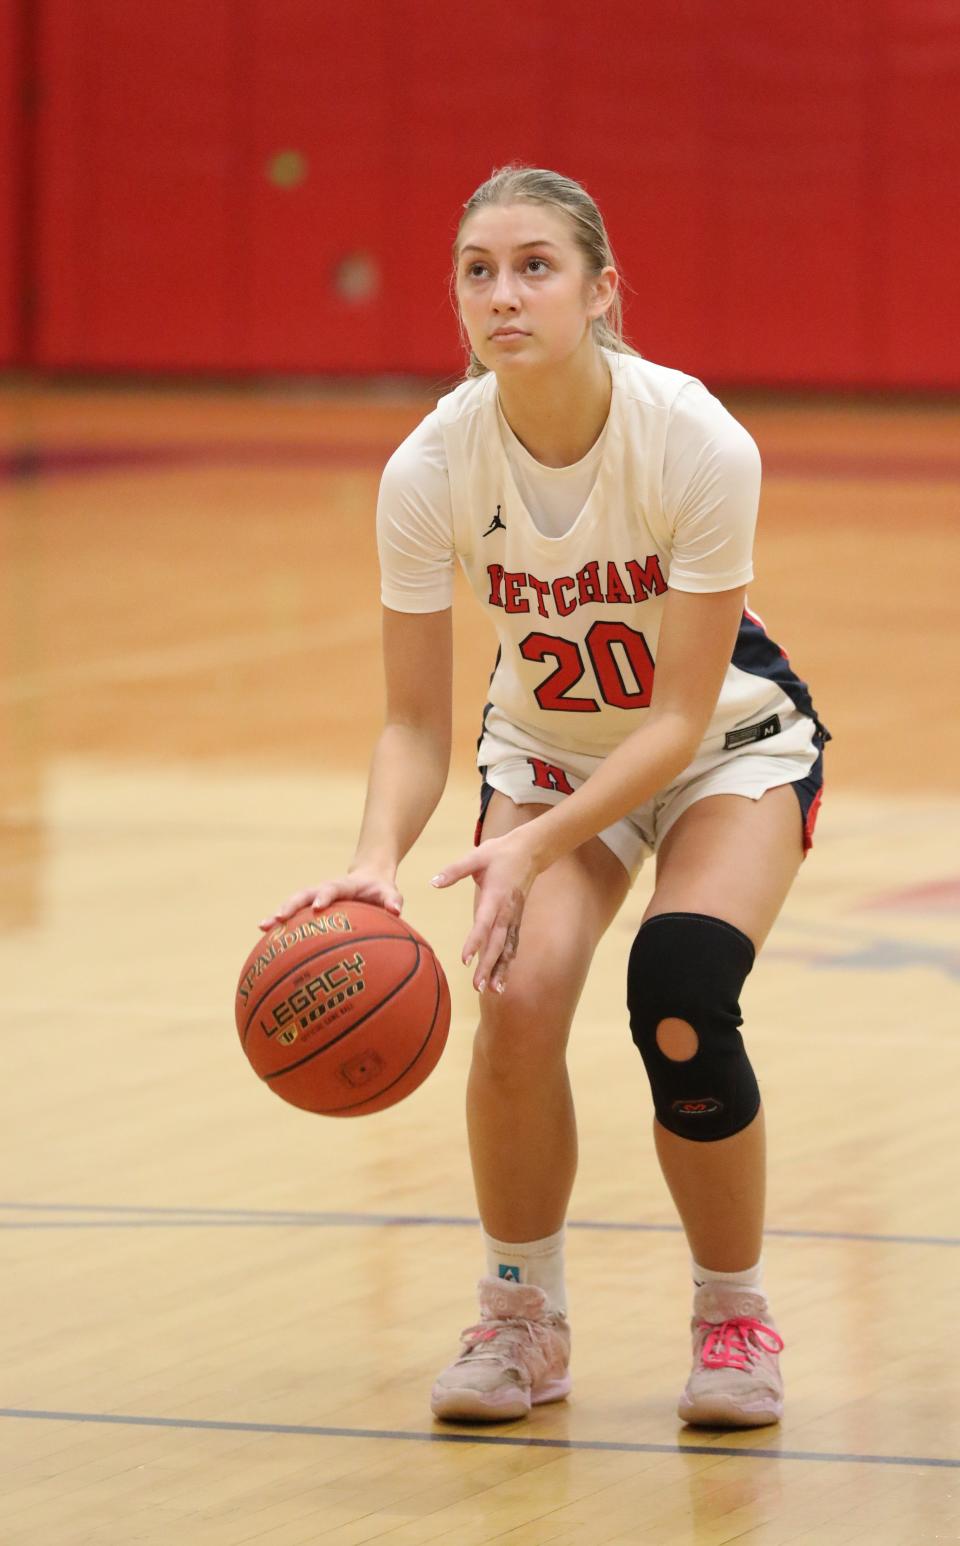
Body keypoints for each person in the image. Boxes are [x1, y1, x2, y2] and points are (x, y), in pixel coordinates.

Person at [261, 165, 829, 1429]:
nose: (501, 294)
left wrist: (533, 850)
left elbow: (679, 717)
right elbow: (415, 721)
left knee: (679, 992)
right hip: (549, 752)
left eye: (534, 266)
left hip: (727, 751)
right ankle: (522, 1316)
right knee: (512, 998)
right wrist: (373, 858)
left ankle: (733, 1317)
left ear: (601, 291)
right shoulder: (428, 470)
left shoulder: (694, 440)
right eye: (477, 270)